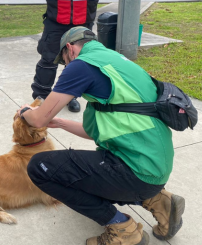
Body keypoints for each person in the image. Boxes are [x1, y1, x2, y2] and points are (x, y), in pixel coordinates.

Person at [18, 26, 185, 245]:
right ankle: (158, 200)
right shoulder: (115, 61)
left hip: (136, 172)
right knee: (83, 174)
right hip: (154, 168)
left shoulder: (81, 65)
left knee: (40, 167)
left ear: (70, 49)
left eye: (64, 61)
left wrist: (25, 113)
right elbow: (93, 132)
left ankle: (123, 229)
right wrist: (58, 122)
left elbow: (38, 119)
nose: (66, 66)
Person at [31, 0, 99, 113]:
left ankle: (70, 96)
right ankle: (41, 97)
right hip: (56, 20)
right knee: (48, 60)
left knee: (77, 61)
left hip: (83, 20)